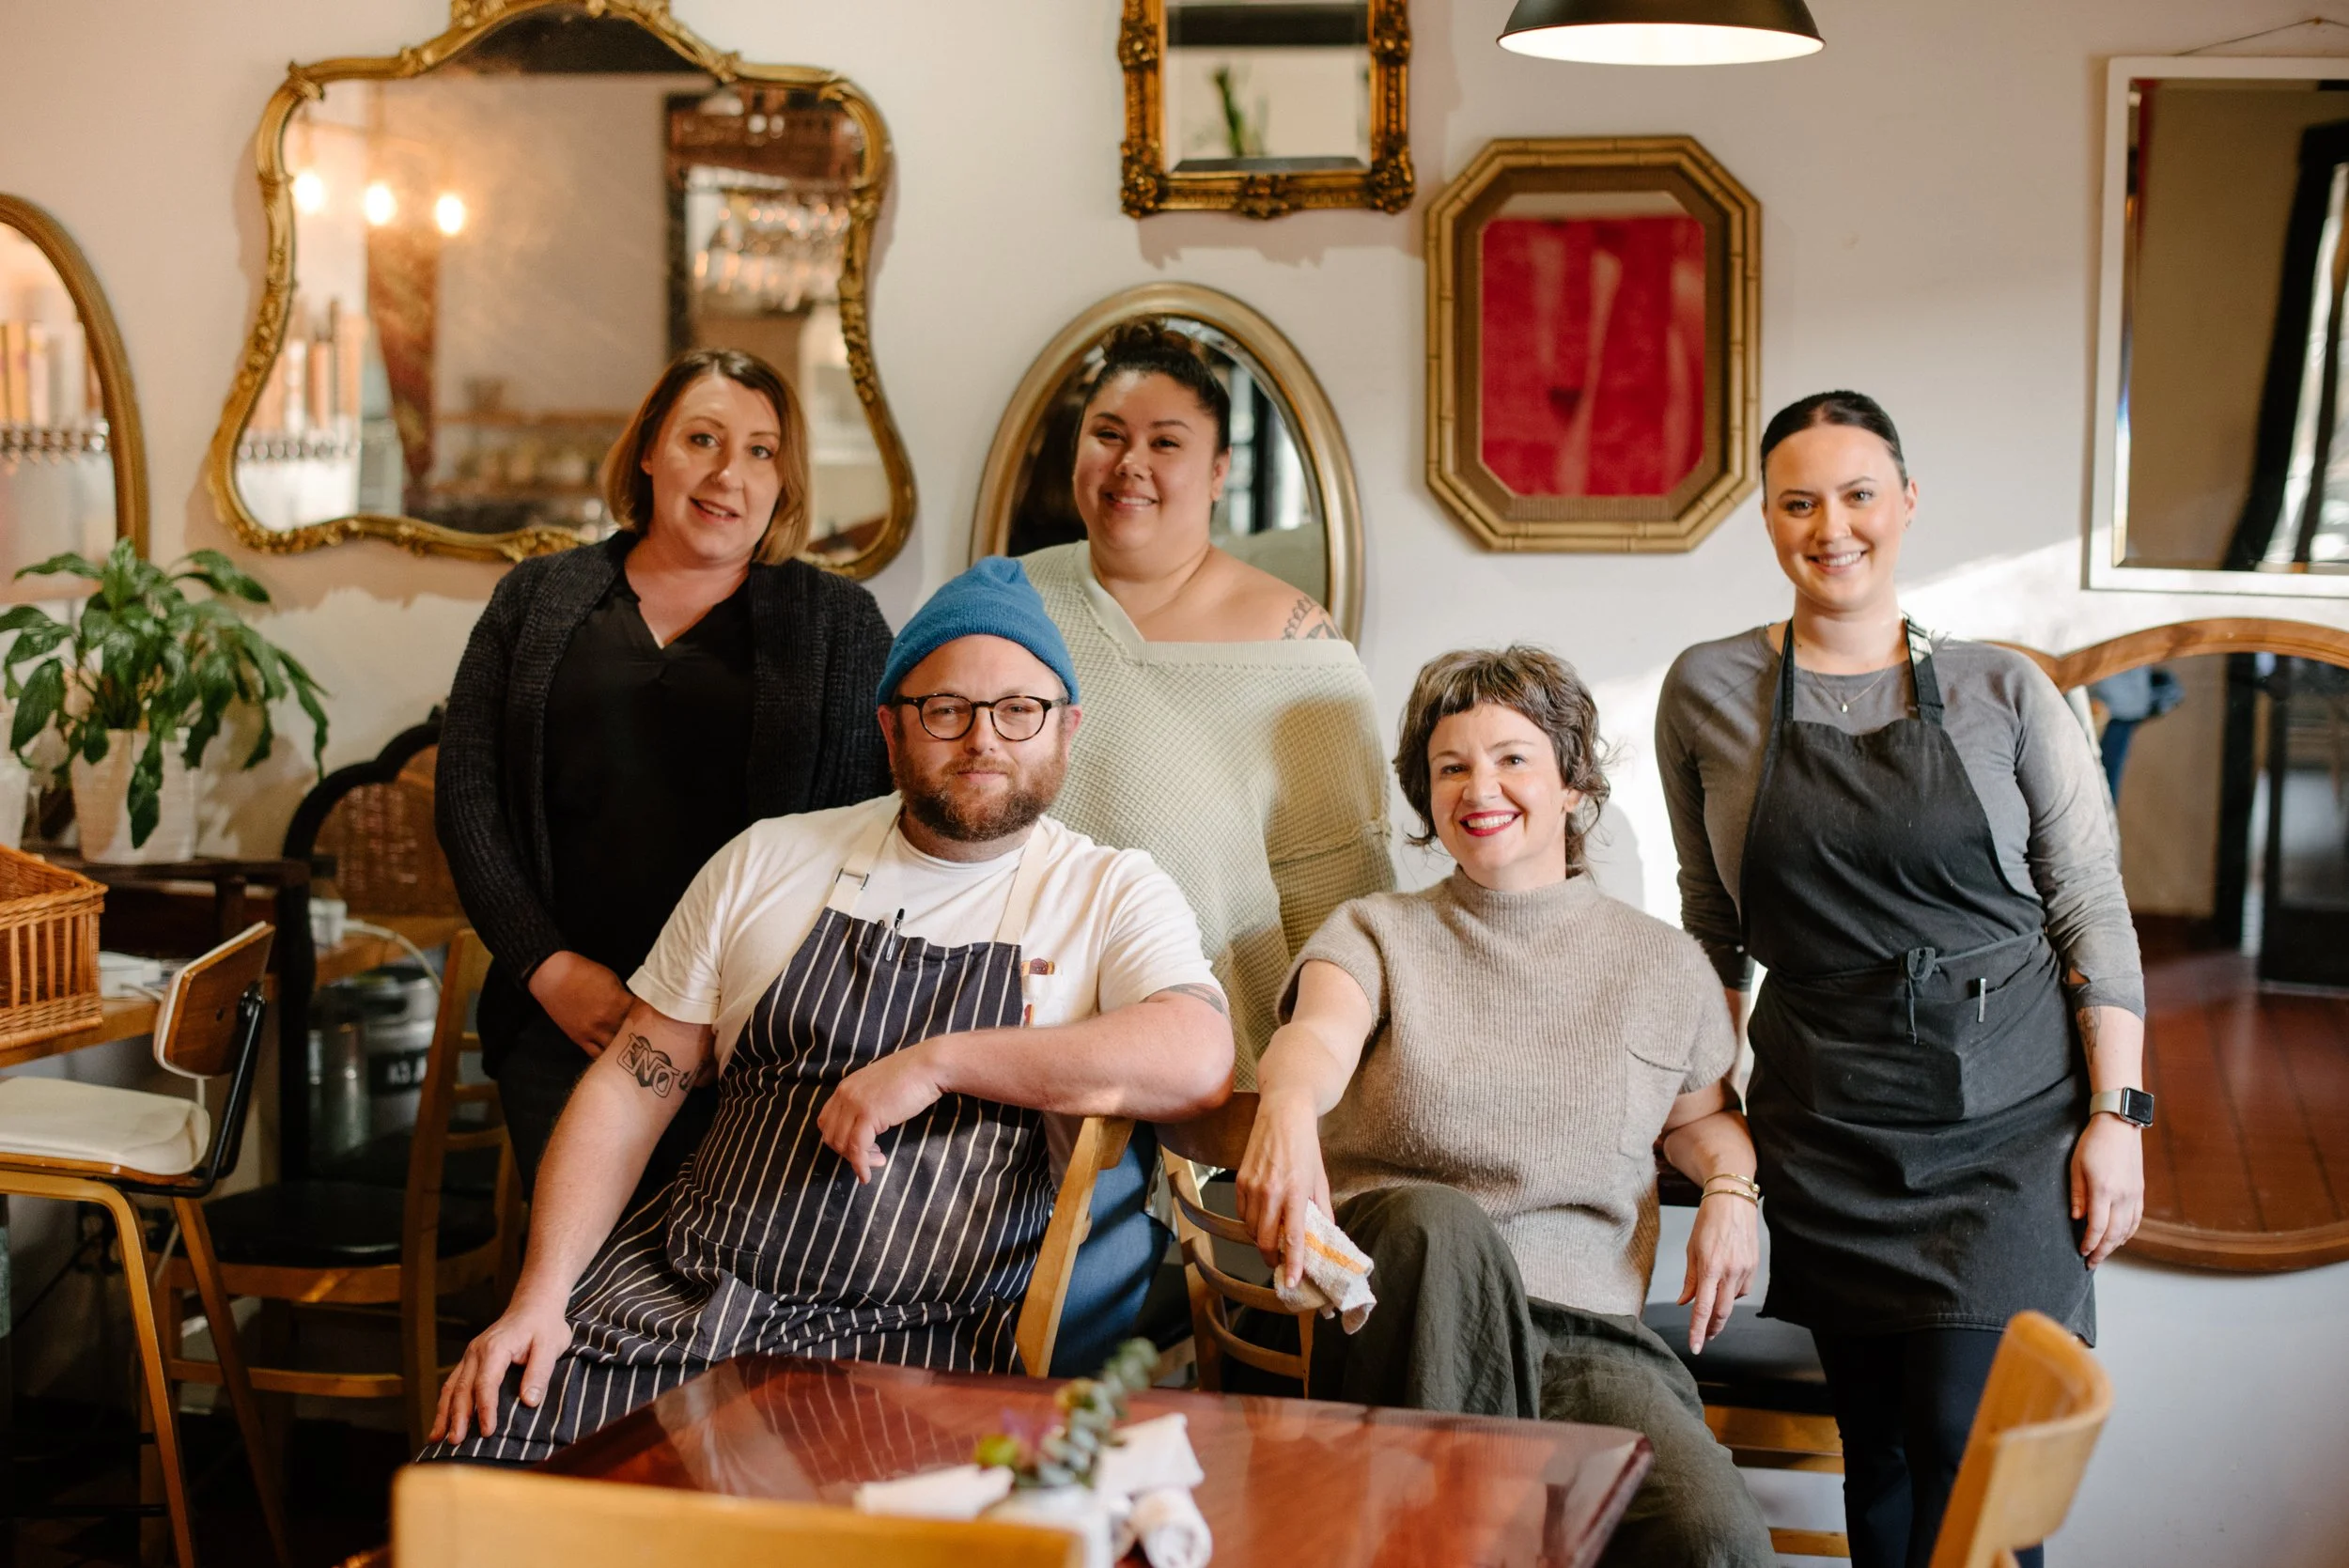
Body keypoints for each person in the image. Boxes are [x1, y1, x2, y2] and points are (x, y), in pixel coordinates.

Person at [422, 559, 1235, 1465]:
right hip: (681, 1300)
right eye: (946, 709)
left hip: (925, 1345)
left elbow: (1199, 1055)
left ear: (1067, 728)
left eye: (1018, 709)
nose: (984, 739)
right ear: (890, 728)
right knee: (482, 1471)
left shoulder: (1109, 890)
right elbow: (629, 1086)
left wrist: (938, 1061)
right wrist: (538, 1297)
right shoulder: (770, 859)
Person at [1656, 392, 2148, 1568]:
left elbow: (2088, 903)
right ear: (1768, 519)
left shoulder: (2003, 690)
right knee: (1877, 1449)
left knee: (1966, 1441)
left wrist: (2115, 1113)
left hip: (2008, 1121)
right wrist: (1703, 1100)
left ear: (1906, 503)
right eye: (1799, 500)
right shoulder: (1707, 689)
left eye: (1859, 492)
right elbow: (1712, 922)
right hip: (1827, 1122)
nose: (1832, 525)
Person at [1233, 645, 1774, 1568]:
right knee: (1436, 1224)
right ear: (1426, 797)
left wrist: (1731, 1190)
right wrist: (1284, 1103)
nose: (1478, 784)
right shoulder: (1373, 934)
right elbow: (1317, 1037)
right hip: (1403, 1327)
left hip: (1588, 1343)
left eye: (1511, 756)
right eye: (1451, 766)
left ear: (1571, 783)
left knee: (1713, 1541)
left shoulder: (1656, 964)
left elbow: (1699, 1122)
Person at [1019, 319, 1394, 1372]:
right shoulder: (1011, 602)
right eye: (1107, 432)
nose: (1129, 463)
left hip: (1223, 1086)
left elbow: (1349, 903)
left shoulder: (1297, 646)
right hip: (1024, 1051)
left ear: (1221, 469)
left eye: (1166, 440)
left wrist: (1304, 1091)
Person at [437, 348, 893, 1202]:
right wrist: (548, 968)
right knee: (581, 1299)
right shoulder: (536, 601)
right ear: (649, 449)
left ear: (785, 481)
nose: (731, 473)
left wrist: (748, 1006)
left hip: (756, 1046)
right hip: (562, 1031)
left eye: (762, 451)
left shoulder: (841, 625)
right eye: (703, 438)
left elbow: (869, 835)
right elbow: (468, 800)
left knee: (722, 1311)